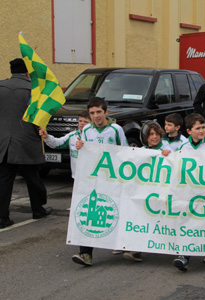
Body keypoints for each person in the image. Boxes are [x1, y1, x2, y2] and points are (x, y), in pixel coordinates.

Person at [72, 97, 132, 266]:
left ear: (106, 112)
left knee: (117, 210)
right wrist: (80, 147)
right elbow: (85, 152)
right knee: (89, 212)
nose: (96, 116)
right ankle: (85, 253)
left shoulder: (116, 129)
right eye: (92, 113)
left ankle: (128, 245)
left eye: (99, 112)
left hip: (113, 178)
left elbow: (126, 152)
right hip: (93, 179)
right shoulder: (87, 131)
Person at [0, 58, 52, 228]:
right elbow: (39, 116)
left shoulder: (1, 86)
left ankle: (3, 217)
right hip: (26, 140)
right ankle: (38, 209)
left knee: (5, 179)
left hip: (4, 142)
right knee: (32, 176)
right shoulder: (33, 90)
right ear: (27, 72)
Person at [173, 113, 205, 272]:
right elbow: (175, 166)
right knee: (189, 221)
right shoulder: (182, 146)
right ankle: (184, 256)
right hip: (189, 191)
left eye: (203, 127)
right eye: (197, 128)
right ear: (189, 131)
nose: (201, 131)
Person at [39, 111, 90, 179]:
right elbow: (57, 143)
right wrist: (46, 137)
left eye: (85, 122)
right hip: (77, 178)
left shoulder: (96, 136)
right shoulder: (72, 136)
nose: (82, 123)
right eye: (80, 121)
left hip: (93, 177)